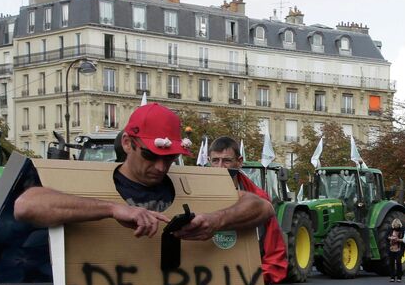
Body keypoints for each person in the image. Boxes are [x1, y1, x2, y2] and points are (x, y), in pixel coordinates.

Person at [14, 103, 274, 243]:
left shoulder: (192, 182)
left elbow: (262, 207)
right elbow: (27, 205)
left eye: (169, 159)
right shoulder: (91, 182)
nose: (161, 168)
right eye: (150, 157)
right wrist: (113, 209)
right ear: (128, 144)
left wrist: (218, 220)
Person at [207, 136, 287, 285]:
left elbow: (275, 252)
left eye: (226, 160)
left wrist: (257, 279)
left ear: (239, 162)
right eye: (215, 161)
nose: (220, 167)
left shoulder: (260, 200)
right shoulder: (199, 196)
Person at [387, 218, 405, 282]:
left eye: (397, 225)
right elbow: (386, 237)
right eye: (394, 225)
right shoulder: (390, 229)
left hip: (399, 249)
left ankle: (399, 277)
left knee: (398, 262)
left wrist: (398, 239)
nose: (395, 226)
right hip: (391, 248)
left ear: (399, 225)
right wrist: (390, 238)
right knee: (391, 263)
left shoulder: (403, 230)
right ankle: (392, 277)